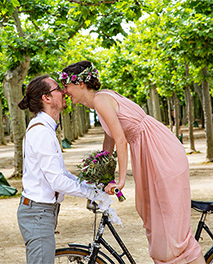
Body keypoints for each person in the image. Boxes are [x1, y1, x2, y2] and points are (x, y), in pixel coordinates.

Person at [60, 60, 205, 264]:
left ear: (81, 84)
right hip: (149, 152)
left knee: (169, 225)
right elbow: (109, 139)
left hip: (159, 151)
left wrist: (120, 181)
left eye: (66, 86)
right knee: (153, 216)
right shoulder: (99, 102)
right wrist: (101, 174)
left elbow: (121, 139)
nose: (65, 91)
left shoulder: (101, 100)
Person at [17, 74, 109, 264]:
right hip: (38, 213)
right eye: (58, 88)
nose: (64, 91)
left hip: (42, 212)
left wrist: (90, 186)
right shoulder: (42, 131)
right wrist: (92, 193)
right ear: (47, 98)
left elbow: (61, 174)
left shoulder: (45, 128)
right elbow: (57, 181)